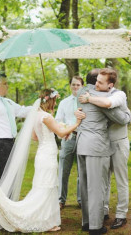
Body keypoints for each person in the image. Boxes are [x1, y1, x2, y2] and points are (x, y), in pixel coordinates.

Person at [0, 89, 83, 234]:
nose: (55, 104)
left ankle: (46, 219)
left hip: (42, 153)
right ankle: (45, 221)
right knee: (48, 186)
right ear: (50, 101)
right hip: (48, 155)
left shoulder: (36, 116)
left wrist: (53, 132)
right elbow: (60, 133)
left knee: (42, 186)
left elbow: (35, 137)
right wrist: (76, 123)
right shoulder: (46, 116)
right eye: (55, 101)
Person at [75, 69, 131, 235]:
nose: (96, 85)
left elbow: (121, 117)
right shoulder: (97, 95)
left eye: (100, 82)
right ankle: (98, 220)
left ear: (110, 85)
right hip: (98, 145)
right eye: (97, 81)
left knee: (92, 184)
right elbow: (122, 118)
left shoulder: (87, 94)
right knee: (98, 185)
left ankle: (114, 215)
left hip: (103, 143)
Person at [0, 73, 32, 183]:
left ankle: (10, 200)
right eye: (5, 83)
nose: (7, 86)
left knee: (12, 177)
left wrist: (40, 104)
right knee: (3, 177)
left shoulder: (7, 102)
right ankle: (2, 200)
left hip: (11, 143)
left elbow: (22, 111)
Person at [55, 75, 84, 209]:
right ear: (70, 85)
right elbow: (58, 120)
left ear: (82, 86)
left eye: (78, 85)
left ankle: (81, 199)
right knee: (63, 170)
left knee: (82, 170)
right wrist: (64, 131)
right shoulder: (64, 102)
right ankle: (61, 200)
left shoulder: (87, 102)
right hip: (68, 138)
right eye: (73, 84)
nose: (75, 87)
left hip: (83, 138)